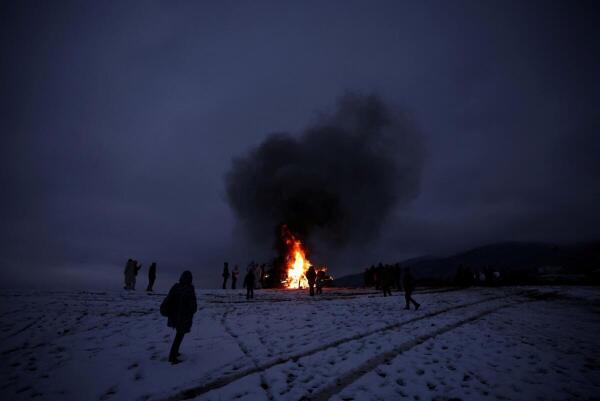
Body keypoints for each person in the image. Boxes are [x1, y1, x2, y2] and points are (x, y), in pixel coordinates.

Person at [162, 270, 198, 364]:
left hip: (175, 316)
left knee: (179, 335)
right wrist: (192, 310)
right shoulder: (189, 289)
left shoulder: (176, 287)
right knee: (179, 336)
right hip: (184, 317)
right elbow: (193, 305)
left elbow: (169, 298)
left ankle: (175, 353)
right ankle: (172, 357)